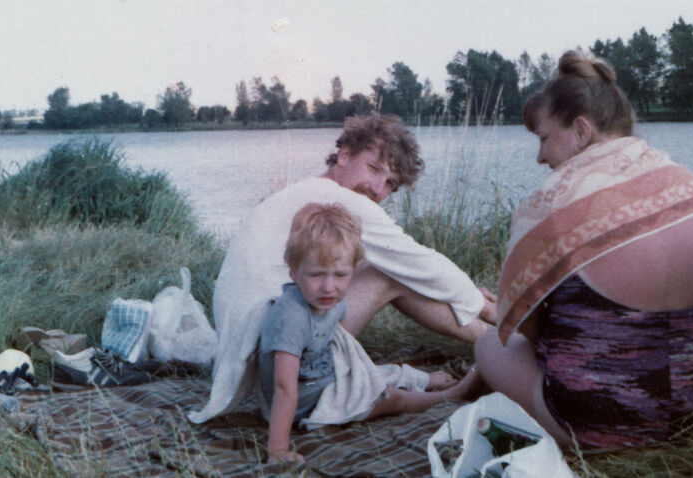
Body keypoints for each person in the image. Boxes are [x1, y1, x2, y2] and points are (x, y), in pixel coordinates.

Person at [474, 50, 693, 450]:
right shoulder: (688, 184)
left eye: (545, 138)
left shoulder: (551, 201)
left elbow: (525, 328)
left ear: (581, 131)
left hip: (606, 423)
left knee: (489, 344)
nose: (540, 156)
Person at [189, 114, 496, 424]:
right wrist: (481, 304)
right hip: (273, 353)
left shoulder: (307, 193)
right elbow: (420, 262)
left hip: (251, 358)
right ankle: (499, 343)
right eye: (374, 168)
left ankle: (494, 343)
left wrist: (465, 294)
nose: (378, 188)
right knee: (387, 271)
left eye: (390, 183)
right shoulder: (342, 200)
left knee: (381, 265)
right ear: (344, 155)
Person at [259, 203, 482, 464]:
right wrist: (278, 449)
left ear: (353, 269)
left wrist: (357, 374)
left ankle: (416, 379)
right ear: (293, 271)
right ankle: (448, 396)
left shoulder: (332, 298)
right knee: (388, 398)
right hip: (303, 406)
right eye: (316, 274)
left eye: (341, 274)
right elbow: (284, 388)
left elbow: (343, 345)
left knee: (373, 374)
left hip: (321, 377)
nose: (328, 286)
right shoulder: (291, 317)